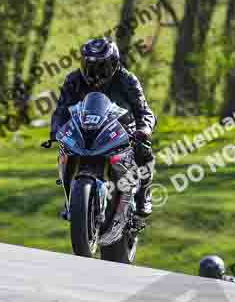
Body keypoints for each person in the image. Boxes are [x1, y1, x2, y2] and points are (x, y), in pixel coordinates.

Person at [50, 37, 156, 219]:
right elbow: (61, 109)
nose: (94, 73)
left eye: (100, 67)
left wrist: (144, 129)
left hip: (121, 129)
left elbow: (144, 110)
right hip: (84, 129)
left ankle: (142, 196)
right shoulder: (73, 80)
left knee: (144, 150)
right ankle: (70, 201)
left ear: (113, 63)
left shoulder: (127, 79)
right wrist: (56, 130)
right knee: (64, 151)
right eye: (89, 66)